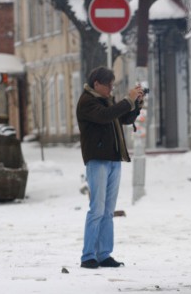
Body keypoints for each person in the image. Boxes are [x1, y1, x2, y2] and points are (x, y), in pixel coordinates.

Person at [76, 66, 144, 269]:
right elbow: (106, 116)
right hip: (97, 160)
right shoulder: (87, 102)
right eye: (109, 85)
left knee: (107, 210)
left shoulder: (106, 100)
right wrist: (127, 101)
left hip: (113, 159)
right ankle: (88, 255)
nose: (111, 89)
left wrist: (136, 106)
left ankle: (104, 254)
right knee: (96, 208)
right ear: (97, 83)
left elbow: (122, 118)